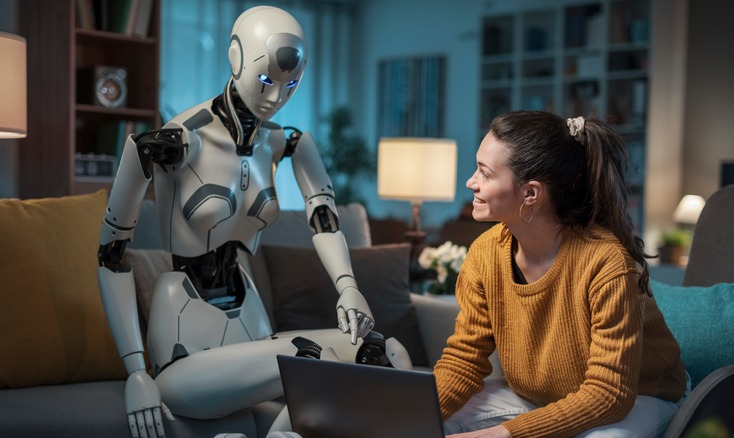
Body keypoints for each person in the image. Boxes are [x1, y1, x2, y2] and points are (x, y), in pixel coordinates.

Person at [96, 6, 408, 438]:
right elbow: (110, 257)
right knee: (307, 358)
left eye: (291, 85)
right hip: (186, 342)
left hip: (252, 330)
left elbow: (325, 220)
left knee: (384, 352)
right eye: (267, 81)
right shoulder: (171, 144)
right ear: (237, 57)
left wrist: (348, 288)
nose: (277, 97)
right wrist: (135, 372)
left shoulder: (285, 142)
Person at [433, 110, 689, 437]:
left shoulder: (606, 261)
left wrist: (503, 434)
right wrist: (407, 418)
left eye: (484, 173)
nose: (471, 182)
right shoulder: (484, 255)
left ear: (531, 194)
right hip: (540, 398)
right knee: (427, 419)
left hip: (641, 398)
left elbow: (610, 395)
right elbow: (463, 362)